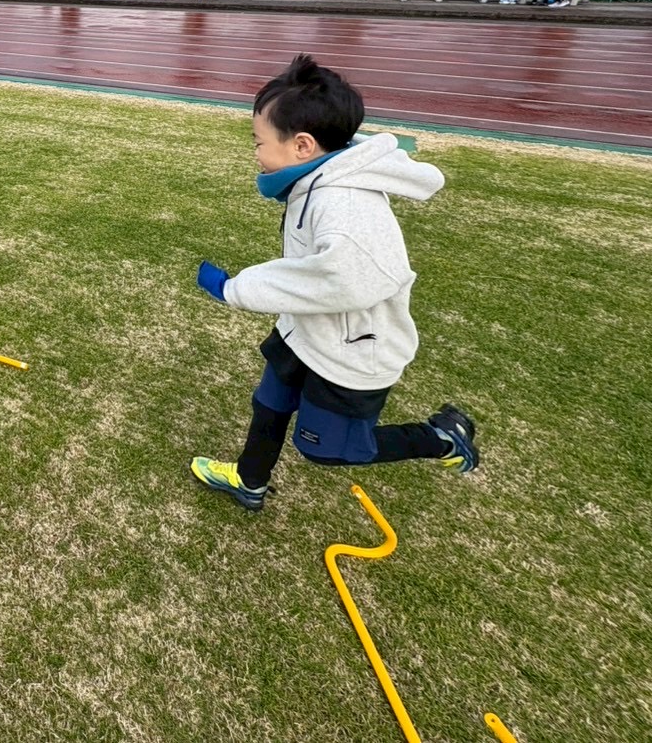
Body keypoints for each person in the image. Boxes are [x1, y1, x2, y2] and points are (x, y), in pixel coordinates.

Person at [189, 54, 479, 512]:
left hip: (351, 349)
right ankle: (250, 482)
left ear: (303, 146)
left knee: (327, 447)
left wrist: (234, 288)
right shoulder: (320, 176)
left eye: (259, 143)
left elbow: (338, 278)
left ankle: (440, 437)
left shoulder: (343, 206)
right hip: (306, 330)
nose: (256, 154)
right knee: (270, 403)